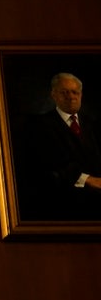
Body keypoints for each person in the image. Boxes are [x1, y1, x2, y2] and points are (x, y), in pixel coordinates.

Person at [14, 72, 101, 220]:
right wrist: (87, 179)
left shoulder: (92, 125)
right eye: (64, 92)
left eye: (75, 92)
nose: (71, 96)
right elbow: (48, 164)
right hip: (61, 206)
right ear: (54, 95)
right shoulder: (38, 125)